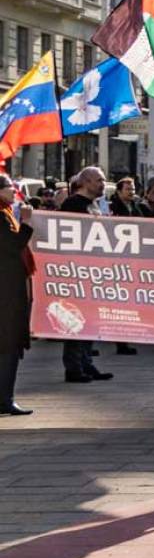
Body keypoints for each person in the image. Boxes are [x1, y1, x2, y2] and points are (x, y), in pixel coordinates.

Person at [60, 168, 115, 380]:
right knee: (76, 319)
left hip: (93, 270)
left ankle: (86, 363)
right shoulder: (73, 205)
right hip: (77, 271)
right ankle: (73, 368)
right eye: (99, 180)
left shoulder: (94, 205)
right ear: (85, 182)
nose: (103, 184)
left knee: (89, 319)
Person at [0, 174, 35, 416]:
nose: (14, 192)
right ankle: (5, 398)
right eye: (10, 188)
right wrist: (27, 223)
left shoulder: (5, 213)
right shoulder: (2, 216)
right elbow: (13, 245)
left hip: (9, 289)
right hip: (6, 292)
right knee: (8, 346)